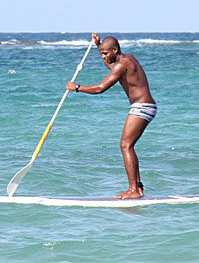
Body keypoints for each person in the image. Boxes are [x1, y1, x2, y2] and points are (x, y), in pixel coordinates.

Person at [66, 33, 156, 199]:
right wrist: (98, 44)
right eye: (102, 54)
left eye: (106, 53)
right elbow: (110, 64)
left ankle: (133, 190)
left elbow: (100, 88)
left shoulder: (123, 64)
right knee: (128, 145)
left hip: (142, 107)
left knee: (125, 145)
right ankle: (138, 187)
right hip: (144, 106)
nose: (103, 57)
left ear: (115, 50)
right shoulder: (127, 59)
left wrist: (77, 87)